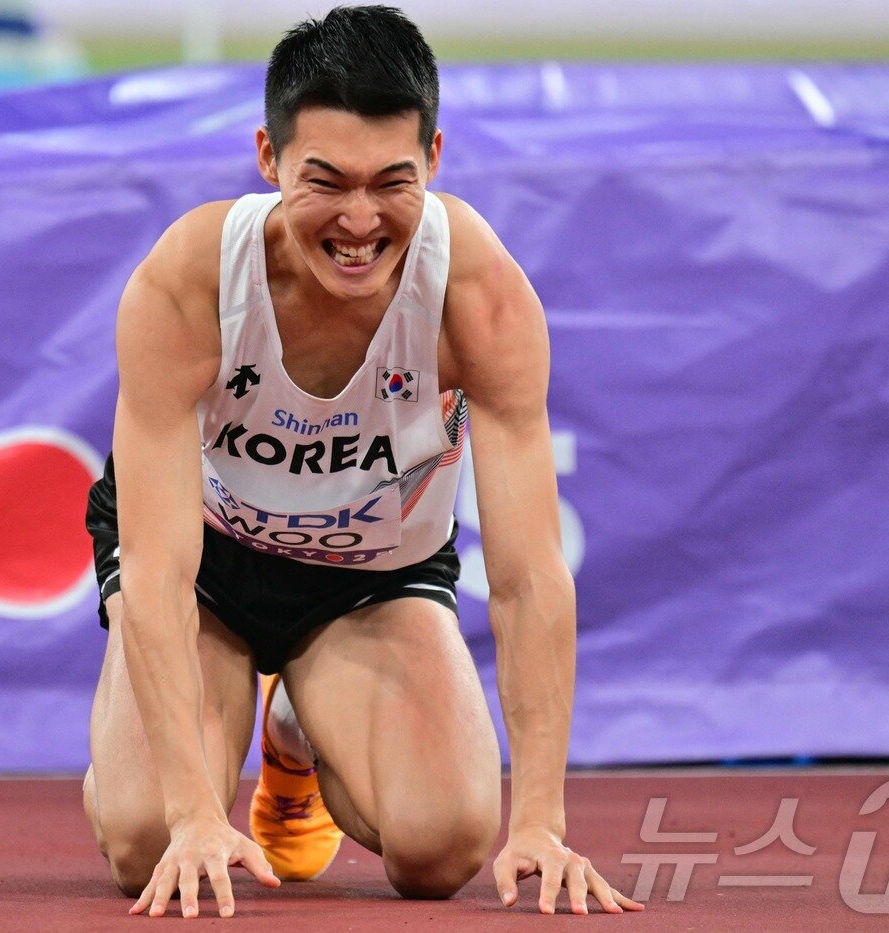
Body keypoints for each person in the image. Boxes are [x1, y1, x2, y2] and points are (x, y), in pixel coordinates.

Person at [82, 5, 645, 919]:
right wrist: (193, 813)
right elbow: (154, 569)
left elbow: (530, 576)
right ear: (268, 158)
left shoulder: (478, 295)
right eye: (326, 180)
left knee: (444, 846)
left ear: (435, 158)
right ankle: (156, 772)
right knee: (146, 839)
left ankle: (297, 737)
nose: (358, 220)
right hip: (210, 565)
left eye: (392, 181)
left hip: (372, 574)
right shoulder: (190, 280)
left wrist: (539, 817)